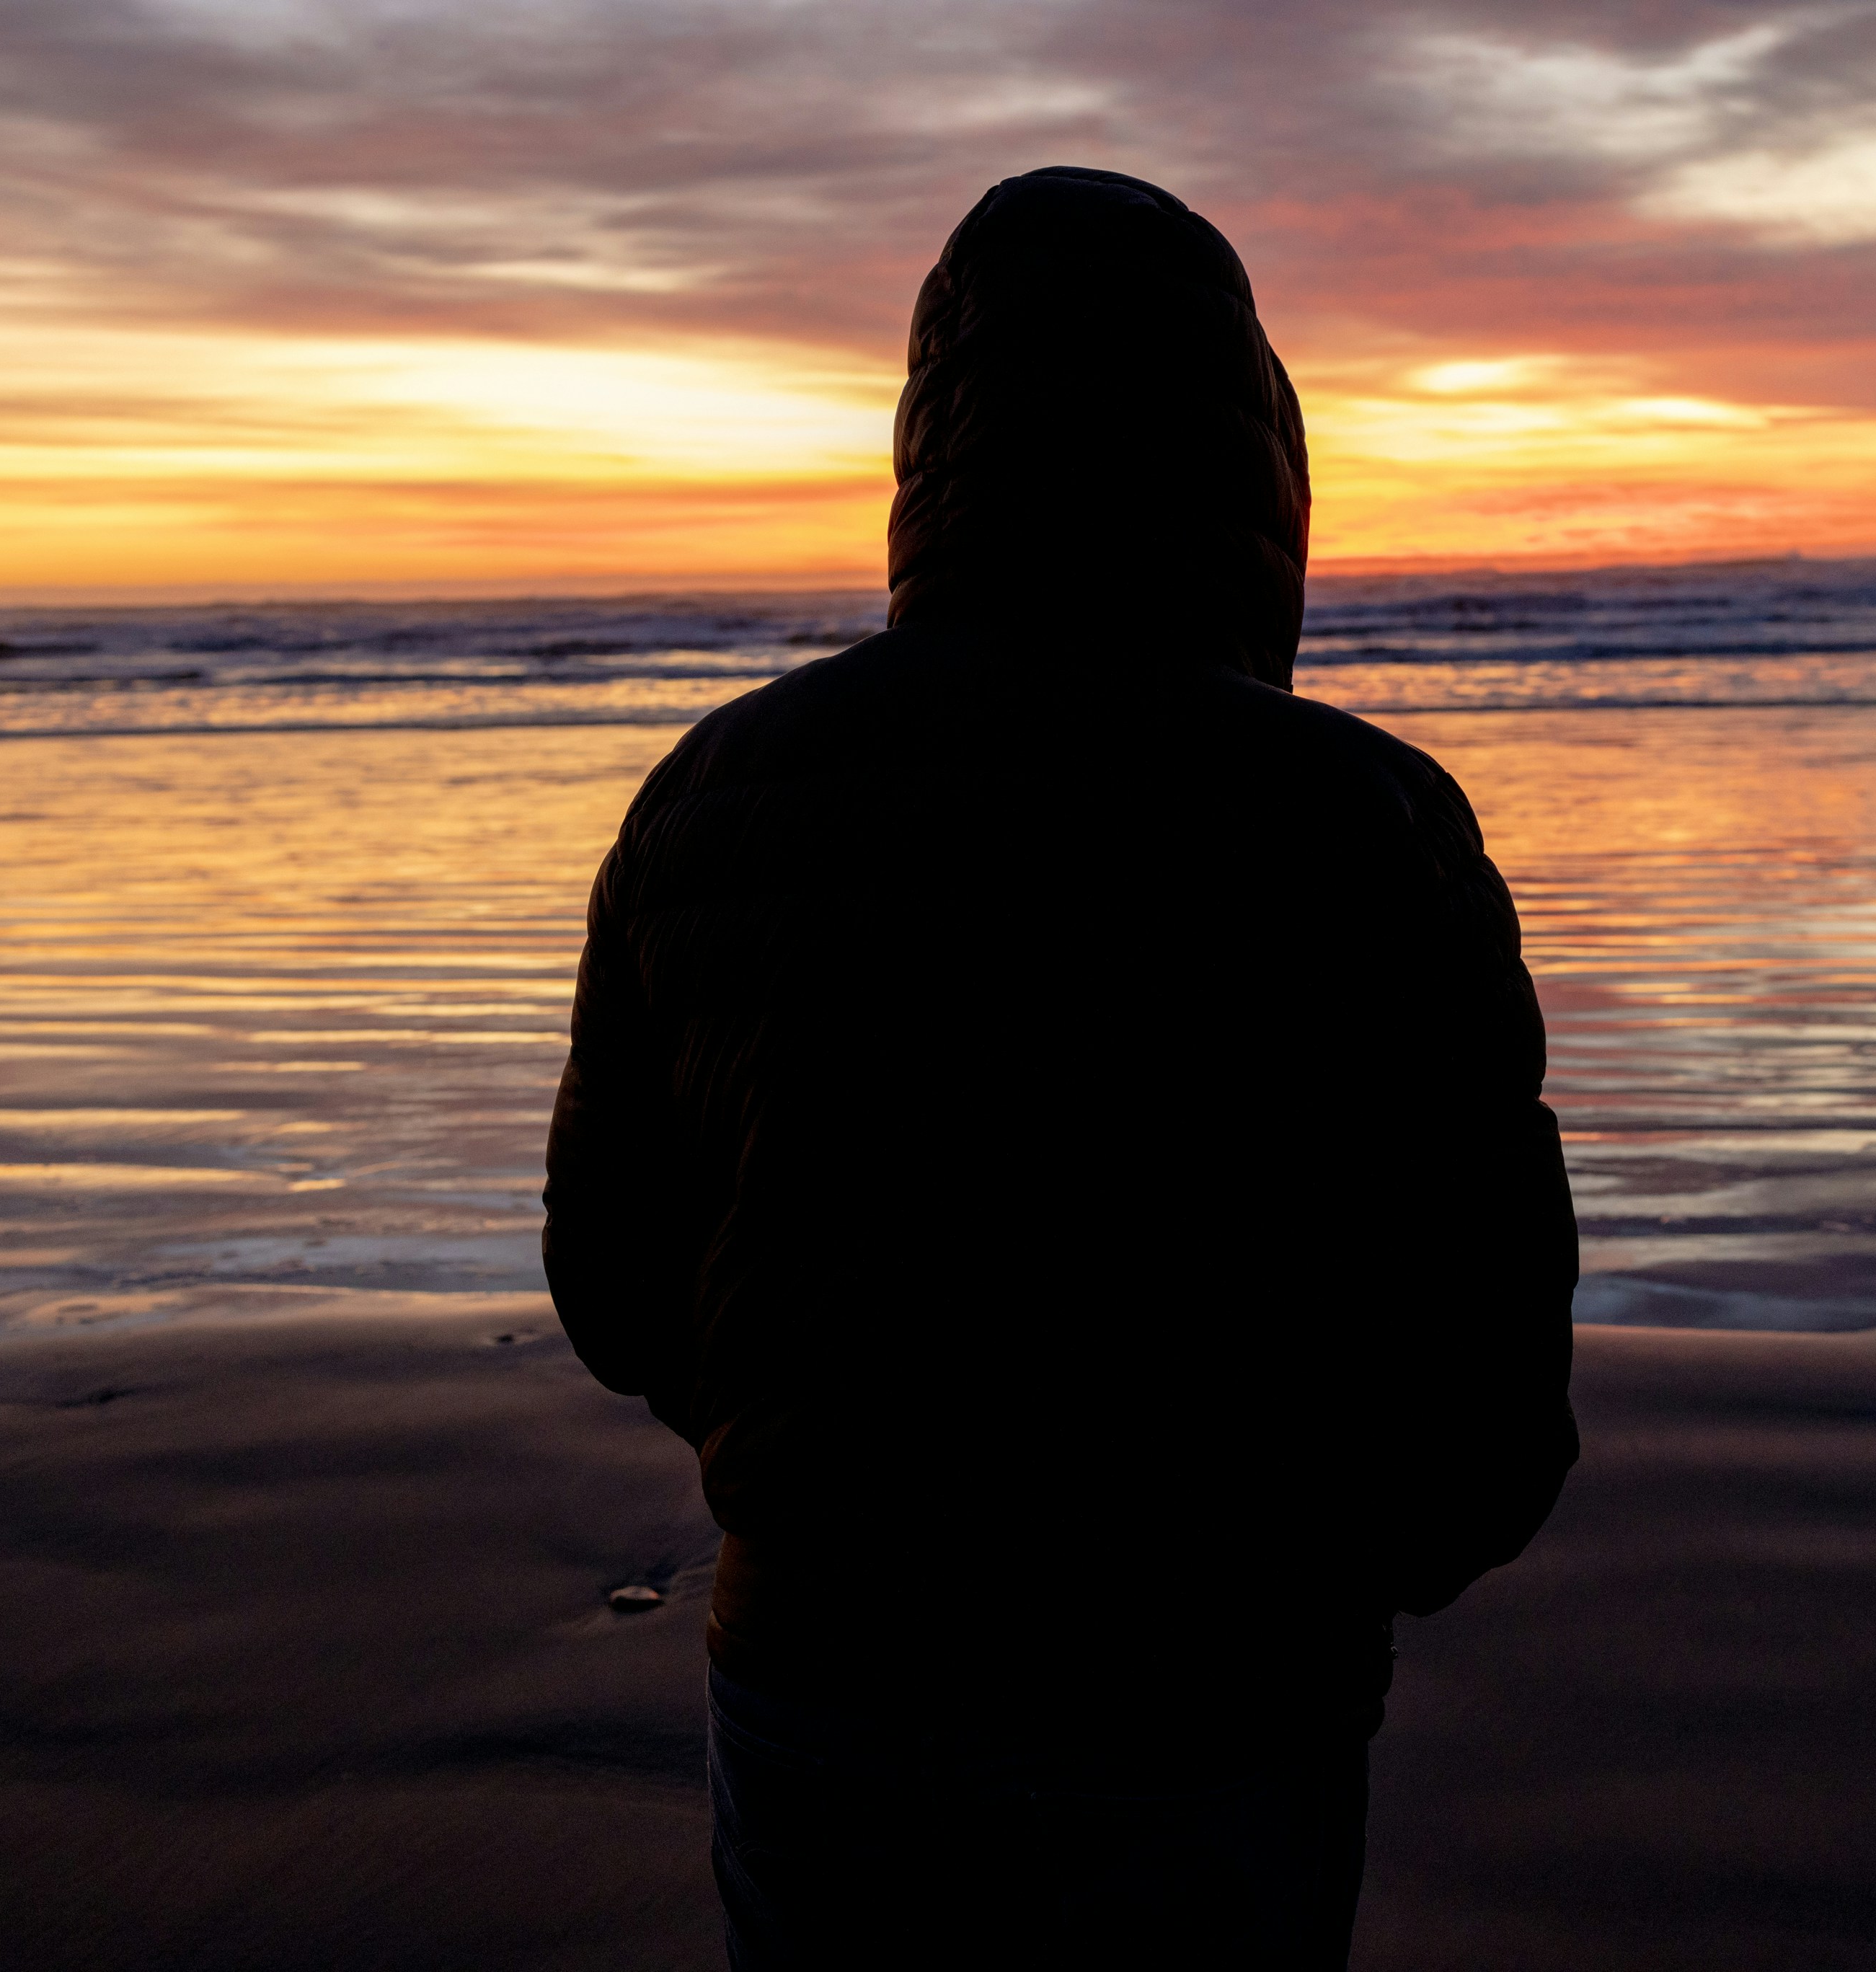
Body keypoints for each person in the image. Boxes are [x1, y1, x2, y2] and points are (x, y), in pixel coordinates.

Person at [544, 165, 1577, 1971]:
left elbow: (622, 1291)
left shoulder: (710, 798)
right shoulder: (1368, 825)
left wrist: (840, 1439)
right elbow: (1483, 1399)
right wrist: (1321, 1564)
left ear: (928, 452)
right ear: (1262, 466)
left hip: (826, 1667)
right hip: (1217, 1699)